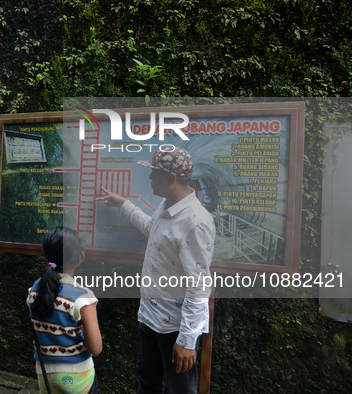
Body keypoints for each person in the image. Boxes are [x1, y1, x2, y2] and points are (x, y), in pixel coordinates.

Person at [96, 147, 215, 394]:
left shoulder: (196, 222)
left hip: (175, 326)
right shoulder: (167, 204)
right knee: (148, 382)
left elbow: (200, 285)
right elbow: (154, 230)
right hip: (150, 316)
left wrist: (186, 341)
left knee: (180, 389)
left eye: (154, 173)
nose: (150, 178)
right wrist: (125, 204)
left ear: (171, 178)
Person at [26, 226, 102, 394]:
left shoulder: (34, 291)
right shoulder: (83, 297)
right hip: (79, 378)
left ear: (45, 256)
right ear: (80, 258)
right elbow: (95, 348)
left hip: (45, 375)